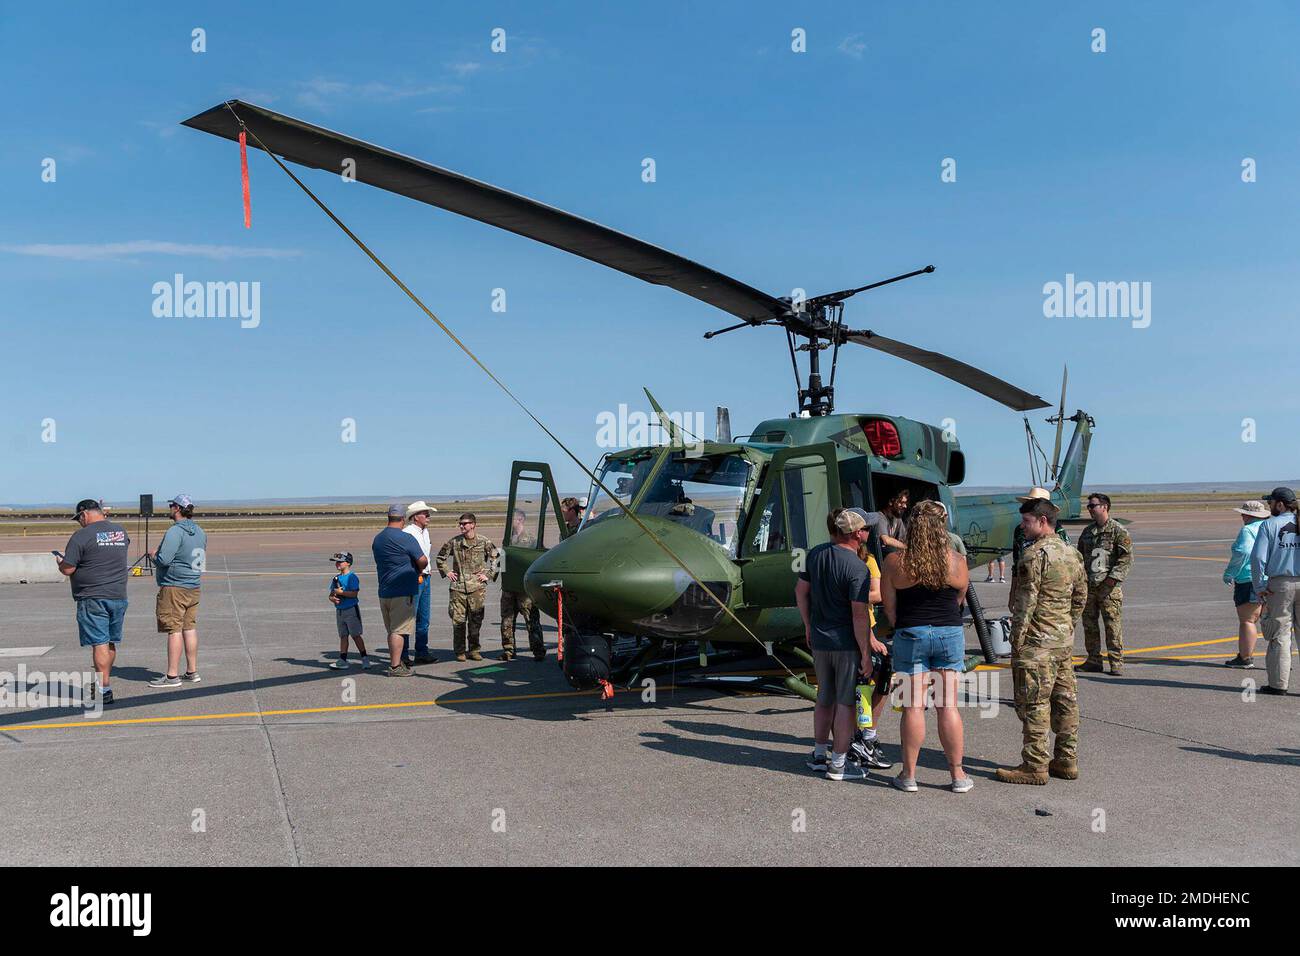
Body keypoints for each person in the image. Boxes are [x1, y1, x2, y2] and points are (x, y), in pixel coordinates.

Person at [881, 500, 972, 793]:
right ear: (941, 526)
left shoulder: (896, 562)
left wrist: (906, 625)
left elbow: (890, 610)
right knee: (947, 706)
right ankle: (957, 775)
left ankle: (908, 775)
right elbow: (959, 601)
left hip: (911, 634)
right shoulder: (957, 561)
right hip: (949, 634)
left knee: (913, 707)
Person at [995, 498, 1088, 785]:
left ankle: (1034, 766)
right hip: (1062, 642)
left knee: (1035, 704)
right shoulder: (1072, 554)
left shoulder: (1033, 556)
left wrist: (1017, 640)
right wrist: (1065, 626)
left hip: (1036, 644)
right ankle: (1066, 761)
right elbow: (1080, 596)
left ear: (1043, 521)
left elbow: (1025, 604)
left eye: (1026, 522)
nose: (1022, 528)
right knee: (1065, 701)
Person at [795, 508, 878, 781]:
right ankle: (839, 764)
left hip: (819, 640)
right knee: (845, 704)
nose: (867, 533)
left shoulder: (815, 554)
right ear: (856, 533)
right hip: (845, 644)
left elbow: (800, 592)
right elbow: (858, 614)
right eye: (865, 529)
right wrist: (865, 652)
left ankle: (819, 754)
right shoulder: (858, 567)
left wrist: (808, 625)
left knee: (824, 698)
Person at [55, 499, 130, 706]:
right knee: (110, 641)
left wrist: (61, 563)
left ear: (85, 514)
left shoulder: (82, 536)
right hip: (118, 595)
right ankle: (103, 683)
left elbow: (69, 569)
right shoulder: (120, 532)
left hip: (93, 597)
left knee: (99, 642)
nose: (79, 522)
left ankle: (103, 689)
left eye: (78, 518)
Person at [146, 495, 207, 688]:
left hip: (174, 587)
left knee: (174, 630)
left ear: (178, 508)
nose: (170, 508)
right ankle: (192, 671)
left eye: (172, 505)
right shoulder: (200, 531)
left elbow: (164, 560)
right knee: (189, 628)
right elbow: (200, 561)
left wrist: (154, 556)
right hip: (193, 586)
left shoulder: (175, 531)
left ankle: (172, 676)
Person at [848, 509, 892, 770]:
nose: (869, 533)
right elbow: (866, 599)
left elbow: (877, 594)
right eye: (866, 528)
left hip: (865, 627)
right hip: (861, 632)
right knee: (865, 683)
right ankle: (863, 739)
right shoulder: (849, 561)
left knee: (876, 681)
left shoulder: (869, 560)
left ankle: (865, 737)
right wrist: (869, 637)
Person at [1250, 486, 1300, 695]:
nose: (1269, 506)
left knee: (1279, 634)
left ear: (1280, 504)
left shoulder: (1268, 525)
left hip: (1280, 585)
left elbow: (1258, 558)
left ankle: (1278, 684)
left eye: (1270, 502)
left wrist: (1259, 587)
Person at [1075, 492, 1132, 675]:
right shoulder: (1087, 532)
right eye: (1088, 506)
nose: (1090, 509)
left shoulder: (1118, 530)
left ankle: (1116, 663)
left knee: (1112, 625)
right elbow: (1080, 557)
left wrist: (1112, 579)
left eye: (1093, 505)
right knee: (1089, 626)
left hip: (1109, 588)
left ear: (1104, 507)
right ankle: (1093, 660)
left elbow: (1126, 558)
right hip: (1089, 587)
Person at [371, 504, 428, 677]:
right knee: (399, 630)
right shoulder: (406, 538)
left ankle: (397, 661)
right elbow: (423, 560)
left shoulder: (378, 538)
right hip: (402, 591)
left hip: (384, 590)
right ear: (403, 519)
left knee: (392, 630)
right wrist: (417, 569)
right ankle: (396, 666)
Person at [436, 512, 500, 662]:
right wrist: (447, 572)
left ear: (473, 525)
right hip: (458, 588)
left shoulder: (484, 542)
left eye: (464, 523)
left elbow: (497, 558)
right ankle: (459, 651)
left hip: (477, 588)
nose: (461, 526)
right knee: (458, 621)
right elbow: (440, 558)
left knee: (475, 621)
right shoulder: (454, 542)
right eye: (460, 523)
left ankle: (474, 650)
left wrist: (488, 575)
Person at [1223, 500, 1269, 668]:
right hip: (1271, 579)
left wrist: (1230, 573)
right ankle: (1279, 658)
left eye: (1243, 513)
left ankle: (1245, 657)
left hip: (1249, 579)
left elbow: (1243, 552)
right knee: (1272, 620)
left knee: (1248, 620)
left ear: (1249, 515)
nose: (1242, 516)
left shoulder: (1248, 530)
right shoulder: (1270, 527)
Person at [1009, 487, 1070, 606]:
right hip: (1026, 590)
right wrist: (1012, 593)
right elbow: (1016, 564)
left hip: (1049, 595)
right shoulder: (1020, 531)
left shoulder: (1058, 531)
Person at [500, 508, 544, 662]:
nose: (509, 522)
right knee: (507, 620)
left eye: (512, 519)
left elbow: (537, 561)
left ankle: (538, 650)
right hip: (509, 587)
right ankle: (508, 650)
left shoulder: (532, 540)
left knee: (531, 620)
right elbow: (503, 560)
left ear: (520, 520)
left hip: (524, 590)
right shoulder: (508, 539)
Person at [402, 501, 437, 665]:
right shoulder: (408, 533)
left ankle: (421, 651)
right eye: (425, 513)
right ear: (416, 517)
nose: (428, 516)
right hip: (415, 578)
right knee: (409, 618)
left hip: (426, 577)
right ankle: (403, 655)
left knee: (424, 618)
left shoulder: (425, 531)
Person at [327, 551, 369, 669]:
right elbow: (331, 594)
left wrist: (342, 593)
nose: (337, 564)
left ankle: (365, 658)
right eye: (336, 562)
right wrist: (333, 599)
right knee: (343, 635)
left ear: (348, 563)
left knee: (355, 635)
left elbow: (354, 593)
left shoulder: (352, 577)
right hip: (339, 611)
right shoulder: (336, 578)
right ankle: (343, 659)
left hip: (351, 610)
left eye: (340, 562)